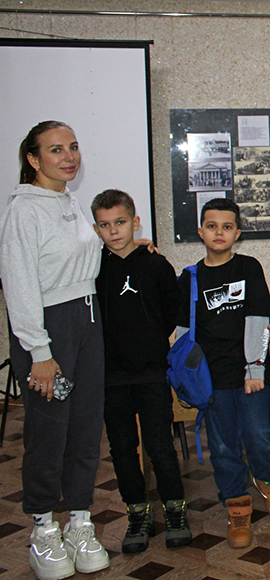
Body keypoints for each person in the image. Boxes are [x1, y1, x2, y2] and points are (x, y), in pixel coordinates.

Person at [0, 121, 111, 579]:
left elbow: (78, 261)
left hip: (87, 320)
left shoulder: (68, 201)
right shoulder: (24, 210)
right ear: (33, 159)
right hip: (48, 331)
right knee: (49, 433)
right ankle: (44, 528)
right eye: (56, 149)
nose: (69, 157)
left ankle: (79, 521)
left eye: (73, 147)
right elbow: (19, 284)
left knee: (85, 427)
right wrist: (39, 352)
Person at [176, 198, 270, 548]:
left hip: (251, 373)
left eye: (227, 227)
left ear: (237, 233)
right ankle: (237, 505)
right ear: (200, 231)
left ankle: (269, 482)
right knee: (223, 445)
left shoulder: (248, 267)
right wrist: (186, 381)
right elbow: (183, 332)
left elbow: (259, 319)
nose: (219, 233)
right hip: (212, 379)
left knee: (259, 435)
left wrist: (254, 367)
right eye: (212, 226)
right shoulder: (190, 278)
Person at [92, 189, 191, 554]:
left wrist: (150, 343)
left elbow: (171, 310)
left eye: (120, 222)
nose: (113, 231)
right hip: (111, 376)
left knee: (160, 445)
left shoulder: (156, 265)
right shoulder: (93, 267)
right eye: (104, 225)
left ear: (135, 222)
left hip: (151, 372)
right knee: (122, 449)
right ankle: (137, 513)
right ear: (96, 229)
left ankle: (175, 511)